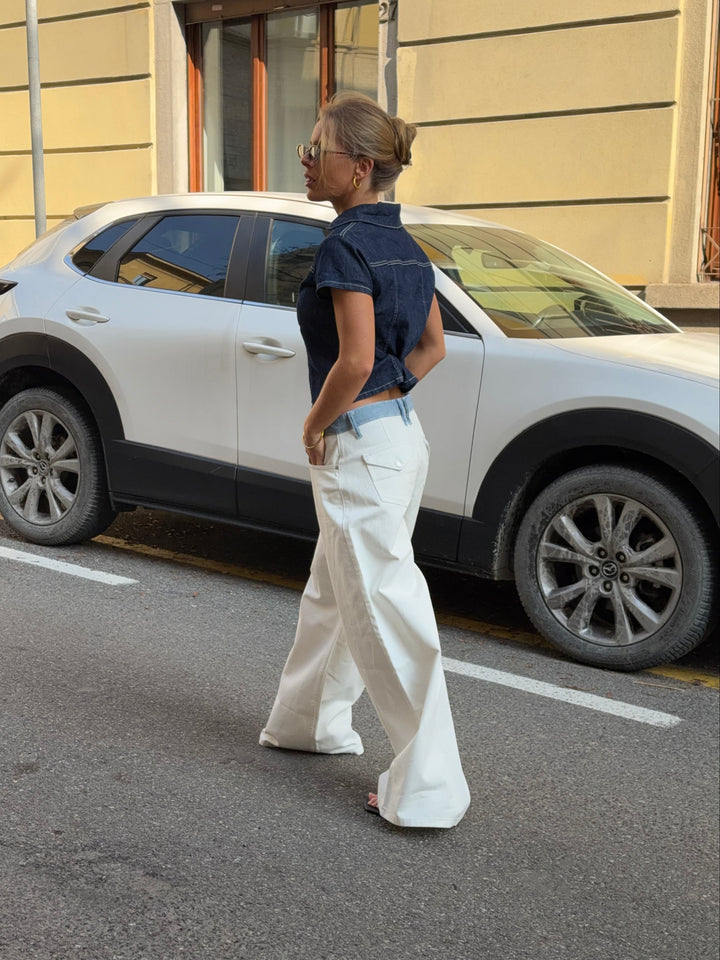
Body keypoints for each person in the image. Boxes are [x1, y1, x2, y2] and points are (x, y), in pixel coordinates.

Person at [259, 92, 470, 829]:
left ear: (360, 166)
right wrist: (388, 395)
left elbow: (350, 361)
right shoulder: (407, 246)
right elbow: (431, 347)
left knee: (384, 610)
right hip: (399, 439)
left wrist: (317, 424)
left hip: (360, 444)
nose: (306, 161)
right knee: (335, 592)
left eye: (318, 150)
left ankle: (430, 789)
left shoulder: (346, 246)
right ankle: (308, 722)